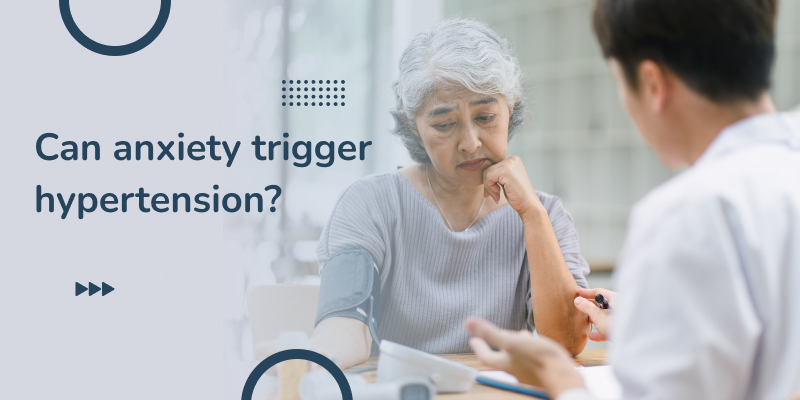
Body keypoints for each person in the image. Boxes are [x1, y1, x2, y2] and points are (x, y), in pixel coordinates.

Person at [466, 0, 800, 399]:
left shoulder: (685, 217)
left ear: (653, 85)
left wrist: (563, 383)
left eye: (620, 84)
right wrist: (653, 327)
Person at [300, 19, 593, 369]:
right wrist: (309, 360)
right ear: (413, 124)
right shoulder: (370, 204)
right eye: (444, 124)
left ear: (511, 106)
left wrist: (531, 216)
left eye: (486, 116)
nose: (470, 143)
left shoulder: (545, 214)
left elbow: (565, 343)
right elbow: (346, 324)